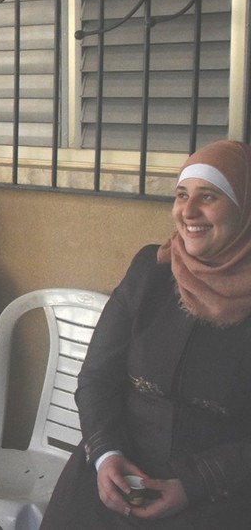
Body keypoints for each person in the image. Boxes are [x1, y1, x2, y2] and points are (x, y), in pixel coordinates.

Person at [41, 139, 251, 529]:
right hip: (118, 471)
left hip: (220, 492)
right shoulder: (150, 271)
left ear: (244, 207)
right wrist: (105, 454)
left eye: (208, 197)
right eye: (182, 195)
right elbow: (97, 377)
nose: (188, 211)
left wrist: (195, 484)